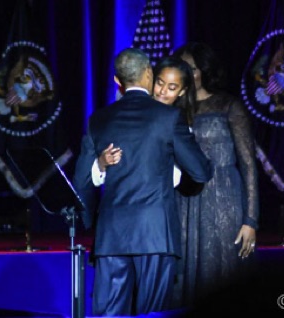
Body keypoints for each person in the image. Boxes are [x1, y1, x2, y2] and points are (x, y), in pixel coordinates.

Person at [72, 48, 213, 317]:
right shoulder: (169, 118)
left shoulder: (98, 119)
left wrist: (89, 220)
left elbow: (81, 181)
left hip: (111, 235)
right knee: (151, 314)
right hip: (155, 235)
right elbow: (201, 172)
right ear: (149, 73)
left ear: (117, 81)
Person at [172, 42, 260, 307]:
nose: (187, 73)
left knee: (220, 273)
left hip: (224, 200)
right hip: (185, 201)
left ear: (205, 71)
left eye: (193, 68)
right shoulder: (173, 110)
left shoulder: (228, 105)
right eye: (182, 69)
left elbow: (248, 164)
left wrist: (251, 220)